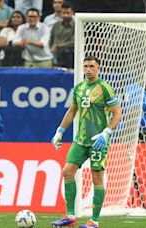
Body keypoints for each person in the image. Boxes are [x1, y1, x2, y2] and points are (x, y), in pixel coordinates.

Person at [51, 56, 122, 228]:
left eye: (92, 66)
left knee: (97, 178)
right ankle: (70, 216)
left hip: (98, 141)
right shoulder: (79, 88)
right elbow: (72, 111)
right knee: (68, 171)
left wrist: (106, 132)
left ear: (98, 68)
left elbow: (117, 114)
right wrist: (59, 132)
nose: (88, 69)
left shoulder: (105, 88)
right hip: (80, 140)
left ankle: (94, 221)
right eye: (85, 66)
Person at [49, 2, 74, 68]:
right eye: (63, 13)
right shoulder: (56, 25)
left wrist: (58, 46)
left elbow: (75, 42)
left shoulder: (77, 25)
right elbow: (51, 40)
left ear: (72, 13)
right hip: (57, 56)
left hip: (72, 56)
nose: (65, 15)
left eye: (68, 13)